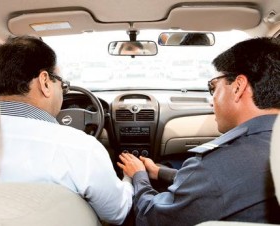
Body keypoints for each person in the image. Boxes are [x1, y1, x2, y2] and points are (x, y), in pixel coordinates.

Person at [117, 37, 280, 225]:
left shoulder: (218, 165)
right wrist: (160, 172)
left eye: (213, 87)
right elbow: (232, 186)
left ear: (238, 87)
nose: (212, 101)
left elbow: (152, 217)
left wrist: (139, 176)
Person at [0, 35, 133, 225]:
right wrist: (130, 179)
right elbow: (116, 213)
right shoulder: (80, 148)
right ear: (45, 82)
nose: (63, 92)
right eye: (64, 85)